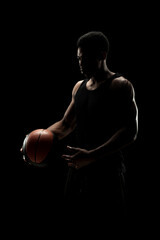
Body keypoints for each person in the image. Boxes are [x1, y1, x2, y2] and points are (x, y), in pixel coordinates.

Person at [22, 31, 138, 228]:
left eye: (85, 59)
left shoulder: (120, 86)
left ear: (102, 55)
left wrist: (92, 155)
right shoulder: (79, 87)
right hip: (77, 170)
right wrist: (31, 141)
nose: (81, 64)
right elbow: (66, 124)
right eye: (78, 59)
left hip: (107, 174)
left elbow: (130, 130)